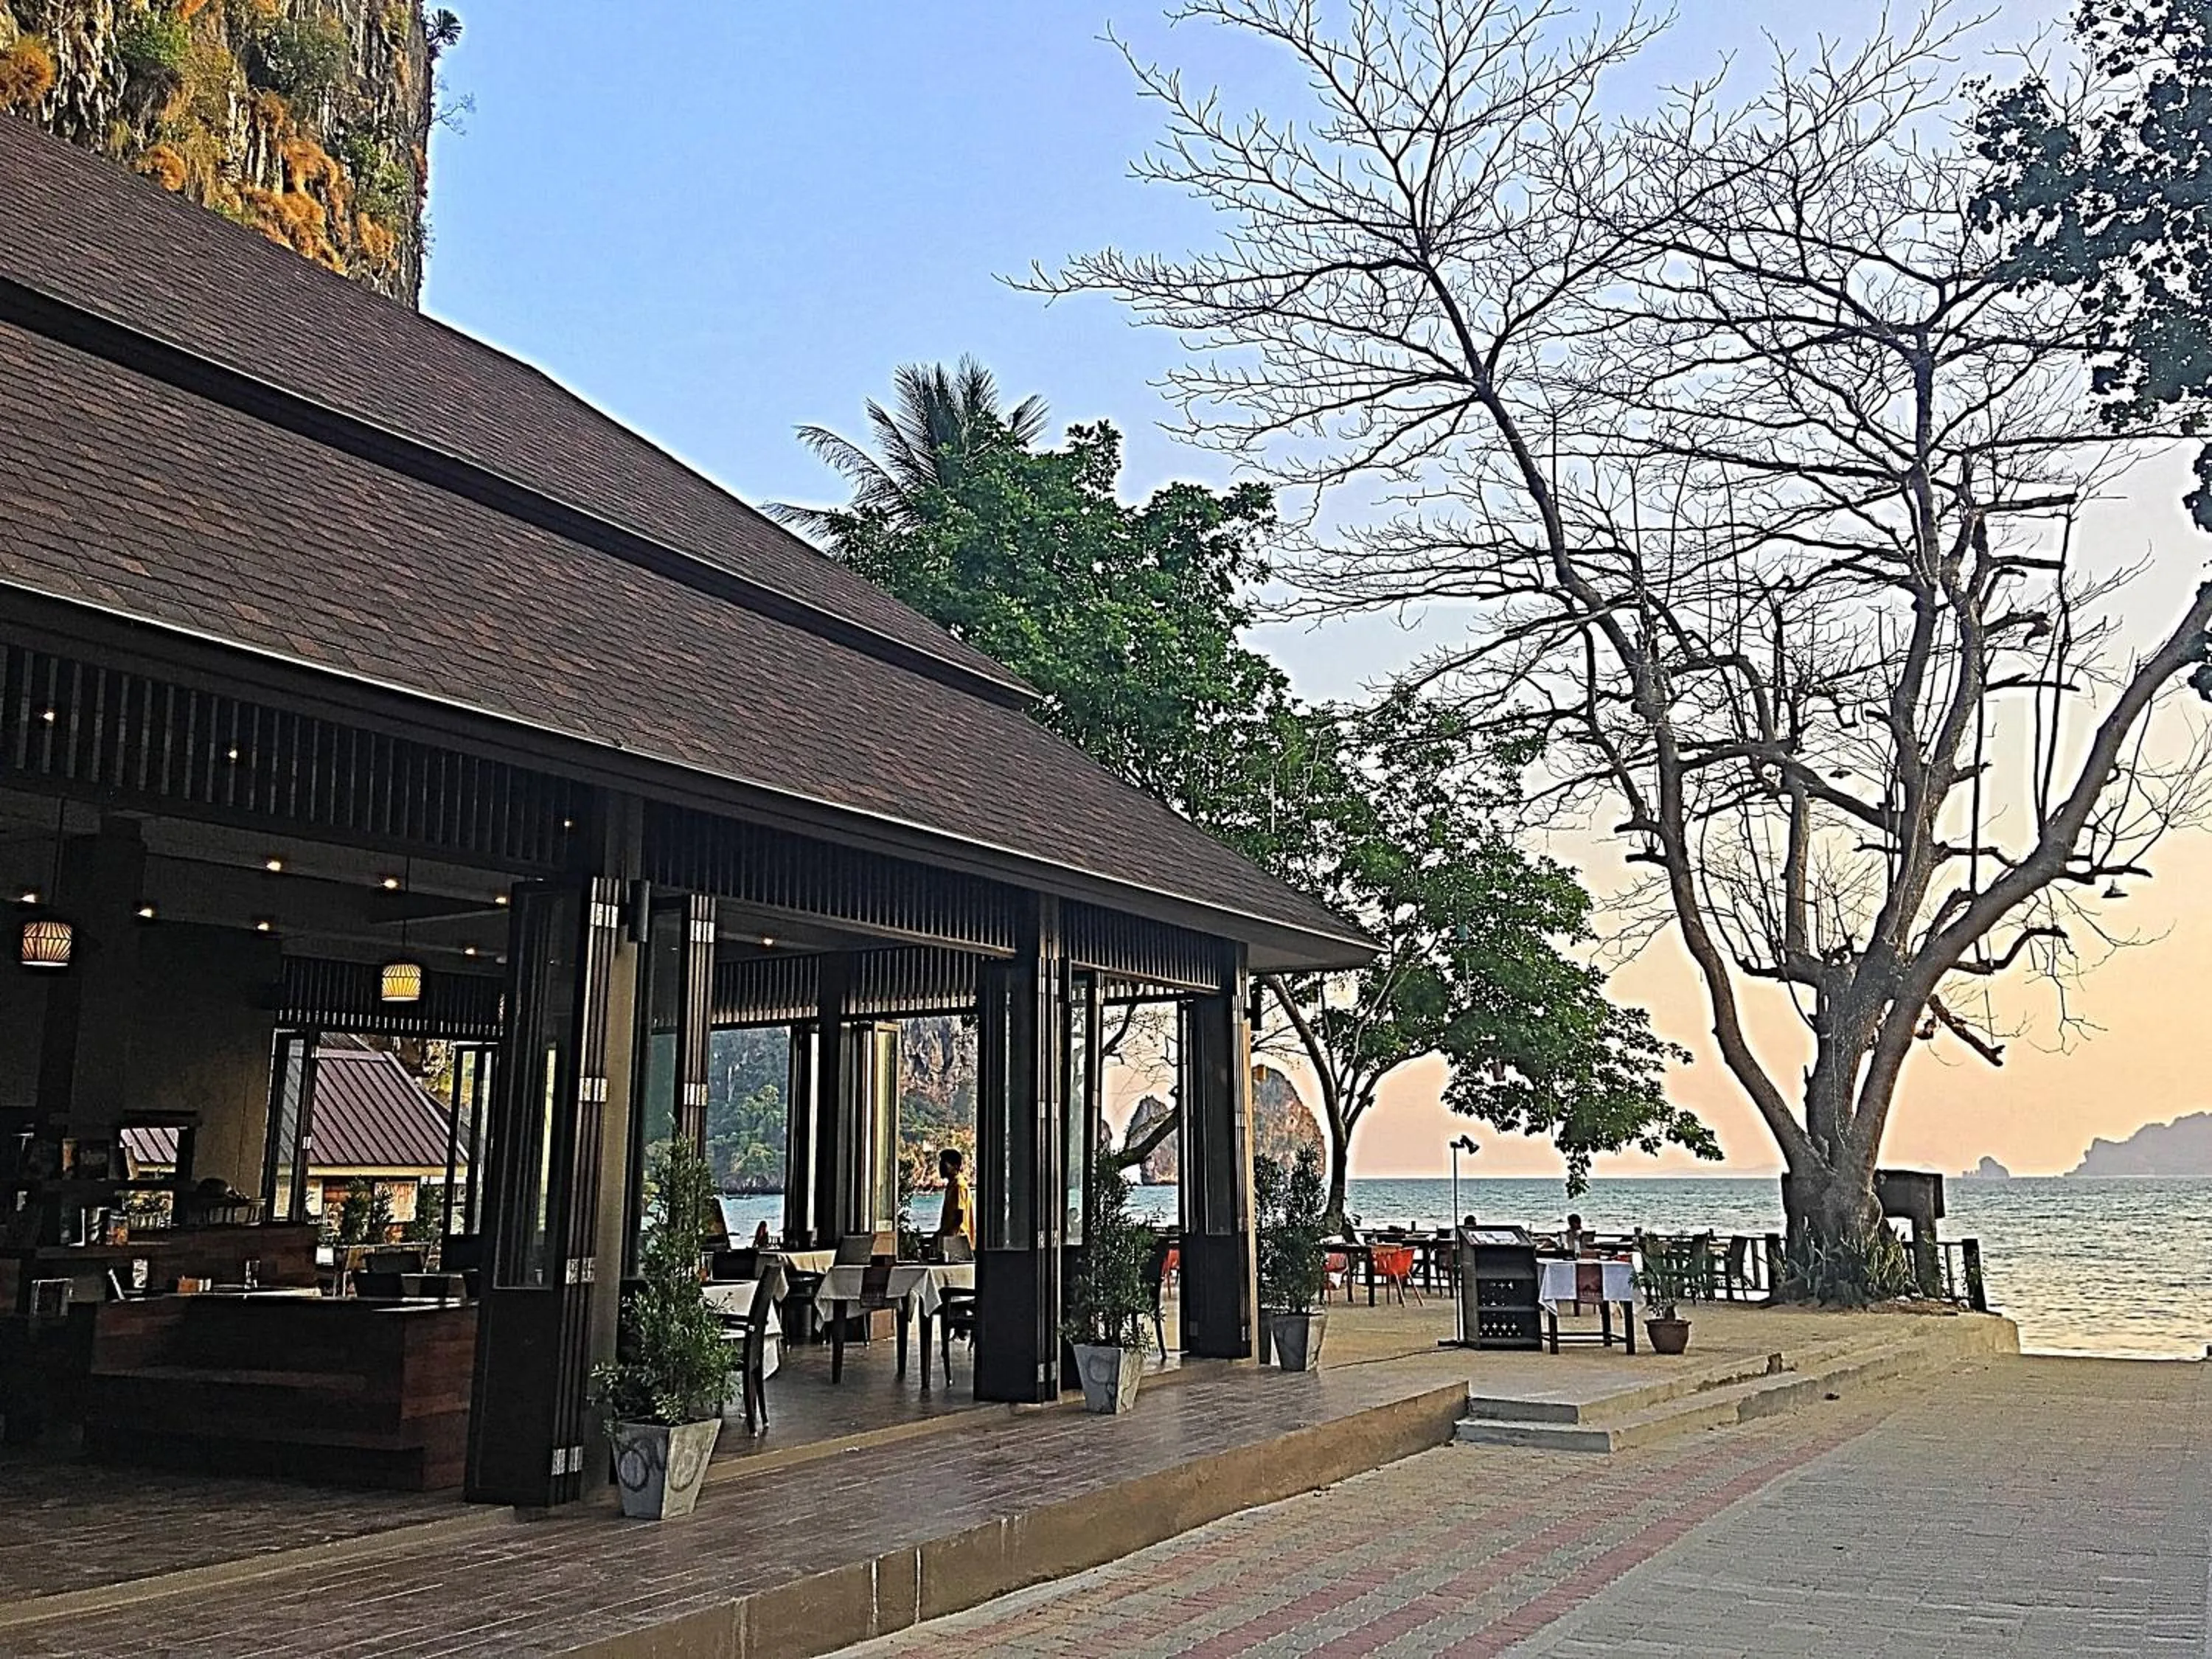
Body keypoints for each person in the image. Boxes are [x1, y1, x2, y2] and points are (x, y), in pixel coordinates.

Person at [936, 1147, 975, 1247]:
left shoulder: (959, 1186)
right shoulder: (952, 1186)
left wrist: (946, 1238)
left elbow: (958, 1218)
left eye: (944, 1163)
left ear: (955, 1166)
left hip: (958, 1240)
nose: (940, 1167)